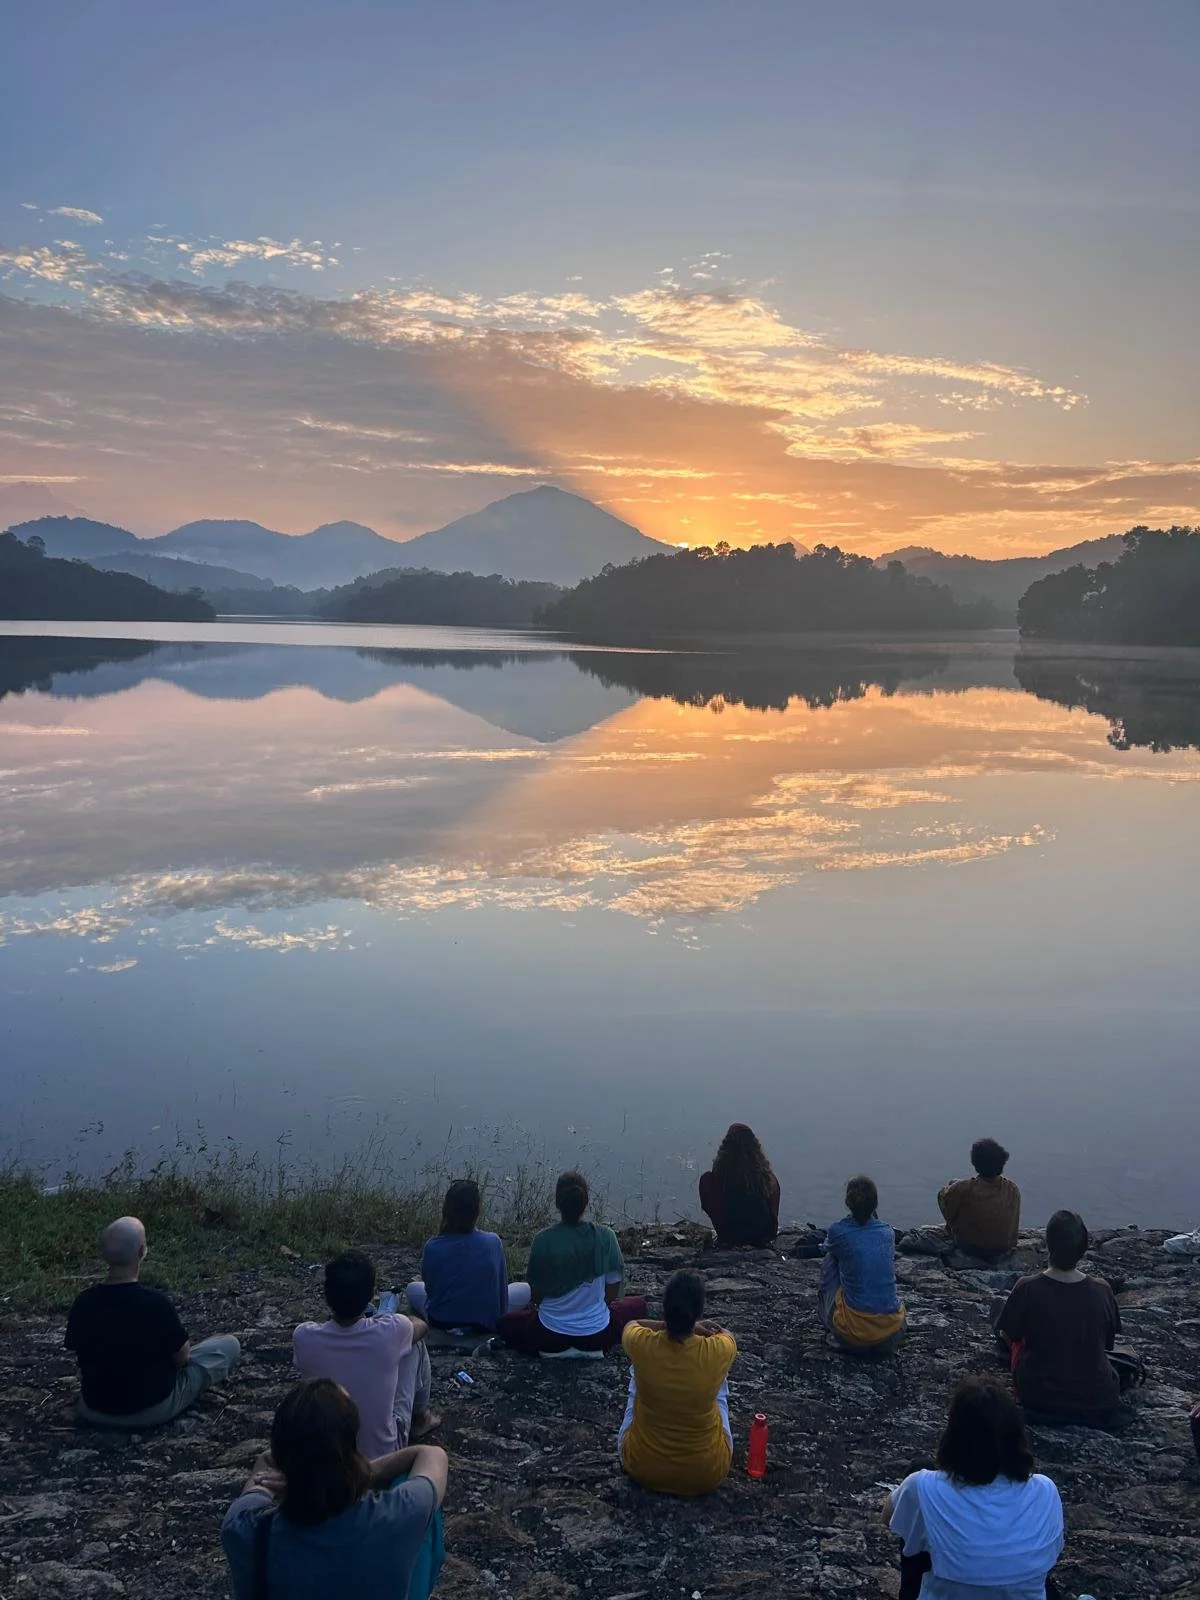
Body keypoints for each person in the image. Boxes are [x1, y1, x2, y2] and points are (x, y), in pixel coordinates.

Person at [221, 1377, 447, 1600]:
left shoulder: (243, 1530)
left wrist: (302, 1478)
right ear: (352, 1445)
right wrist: (357, 1474)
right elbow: (431, 1454)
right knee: (417, 1494)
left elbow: (263, 1468)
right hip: (378, 1535)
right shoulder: (400, 1513)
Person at [888, 1375, 1064, 1600]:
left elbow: (890, 1517)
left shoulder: (923, 1486)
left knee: (916, 1522)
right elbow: (1052, 1553)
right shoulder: (1045, 1491)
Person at [65, 1215, 240, 1428]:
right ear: (141, 1252)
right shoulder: (155, 1304)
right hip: (151, 1409)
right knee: (228, 1345)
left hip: (93, 1408)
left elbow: (78, 1352)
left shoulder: (84, 1302)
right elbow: (182, 1358)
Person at [294, 1251, 440, 1461]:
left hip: (326, 1457)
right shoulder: (391, 1330)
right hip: (383, 1456)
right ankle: (421, 1418)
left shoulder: (304, 1336)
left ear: (326, 1295)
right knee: (412, 1345)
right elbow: (421, 1327)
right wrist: (388, 1319)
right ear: (371, 1296)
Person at [994, 1210, 1128, 1430]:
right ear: (1084, 1248)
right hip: (1097, 1398)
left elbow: (1010, 1336)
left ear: (1048, 1245)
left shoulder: (1027, 1288)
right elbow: (1107, 1344)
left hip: (1041, 1396)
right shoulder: (1102, 1290)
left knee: (1005, 1326)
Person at [494, 1171, 647, 1355]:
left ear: (557, 1202)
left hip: (549, 1335)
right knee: (638, 1305)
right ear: (586, 1201)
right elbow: (613, 1289)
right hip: (597, 1336)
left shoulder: (543, 1240)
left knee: (505, 1323)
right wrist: (596, 1307)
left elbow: (536, 1294)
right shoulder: (606, 1237)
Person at [618, 1270, 737, 1496]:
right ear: (698, 1313)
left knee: (637, 1369)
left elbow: (631, 1324)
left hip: (642, 1466)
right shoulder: (717, 1350)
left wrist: (663, 1326)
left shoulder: (641, 1343)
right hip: (707, 1472)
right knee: (719, 1377)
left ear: (665, 1310)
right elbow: (727, 1335)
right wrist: (698, 1328)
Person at [406, 1179, 531, 1332]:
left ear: (446, 1210)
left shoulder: (433, 1246)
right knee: (524, 1288)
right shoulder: (492, 1242)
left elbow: (431, 1292)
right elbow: (500, 1290)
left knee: (412, 1288)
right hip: (484, 1322)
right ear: (477, 1210)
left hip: (442, 1320)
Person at [820, 1176, 906, 1354]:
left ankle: (832, 1325)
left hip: (853, 1335)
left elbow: (826, 1248)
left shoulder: (838, 1231)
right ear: (875, 1203)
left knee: (831, 1257)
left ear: (848, 1202)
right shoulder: (887, 1232)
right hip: (891, 1333)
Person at [901, 1138, 1021, 1262]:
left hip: (972, 1248)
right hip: (1004, 1248)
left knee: (947, 1193)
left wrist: (953, 1190)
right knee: (955, 1188)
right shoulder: (1012, 1188)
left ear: (976, 1163)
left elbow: (944, 1198)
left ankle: (955, 1231)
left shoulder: (965, 1188)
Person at [697, 1123, 781, 1248]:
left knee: (706, 1180)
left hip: (730, 1235)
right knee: (771, 1180)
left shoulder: (719, 1177)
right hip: (763, 1235)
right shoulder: (765, 1178)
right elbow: (773, 1212)